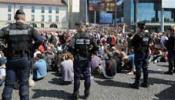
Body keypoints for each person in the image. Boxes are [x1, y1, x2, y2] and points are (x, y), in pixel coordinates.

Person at [0, 9, 43, 100]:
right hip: (24, 58)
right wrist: (32, 48)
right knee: (24, 84)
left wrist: (4, 49)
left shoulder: (8, 28)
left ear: (15, 17)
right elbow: (40, 39)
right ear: (24, 18)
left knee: (9, 84)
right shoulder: (30, 29)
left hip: (11, 59)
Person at [71, 22, 98, 99]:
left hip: (78, 59)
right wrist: (91, 52)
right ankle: (86, 93)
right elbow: (96, 47)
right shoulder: (89, 36)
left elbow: (70, 47)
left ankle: (76, 94)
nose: (76, 29)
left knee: (77, 77)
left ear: (80, 27)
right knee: (87, 76)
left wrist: (74, 54)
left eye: (76, 27)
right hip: (87, 58)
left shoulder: (75, 36)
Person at [130, 22, 151, 89]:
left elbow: (132, 43)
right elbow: (149, 42)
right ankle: (146, 82)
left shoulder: (137, 35)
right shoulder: (147, 34)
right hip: (145, 52)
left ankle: (137, 83)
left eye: (137, 27)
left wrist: (135, 34)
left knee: (138, 68)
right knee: (145, 67)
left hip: (139, 53)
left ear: (139, 27)